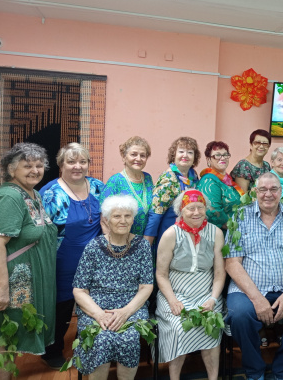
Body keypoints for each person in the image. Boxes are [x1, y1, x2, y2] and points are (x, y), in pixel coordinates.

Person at [225, 173, 283, 380]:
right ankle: (254, 371)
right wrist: (256, 298)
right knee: (239, 315)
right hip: (248, 288)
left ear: (281, 192)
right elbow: (232, 262)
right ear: (255, 192)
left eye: (273, 189)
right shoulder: (240, 216)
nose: (268, 194)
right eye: (263, 189)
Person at [72, 195, 153, 379]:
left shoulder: (142, 246)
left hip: (132, 307)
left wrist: (125, 312)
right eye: (117, 216)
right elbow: (79, 290)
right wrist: (99, 314)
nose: (123, 220)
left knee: (129, 338)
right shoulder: (93, 247)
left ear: (133, 219)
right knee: (100, 338)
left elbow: (146, 286)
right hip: (96, 307)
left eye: (127, 216)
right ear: (107, 220)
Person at [39, 142, 105, 368]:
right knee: (62, 307)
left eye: (82, 161)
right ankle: (52, 351)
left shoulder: (97, 187)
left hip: (95, 261)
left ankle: (86, 347)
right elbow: (41, 232)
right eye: (71, 161)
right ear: (61, 165)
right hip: (62, 261)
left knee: (92, 305)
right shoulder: (50, 193)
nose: (77, 166)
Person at [0, 143, 56, 380]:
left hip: (27, 281)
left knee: (14, 339)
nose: (35, 170)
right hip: (14, 281)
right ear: (11, 169)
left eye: (39, 165)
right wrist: (2, 290)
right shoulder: (9, 196)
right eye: (27, 165)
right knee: (7, 340)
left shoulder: (34, 194)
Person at [155, 190, 226, 380]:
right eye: (190, 208)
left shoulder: (216, 233)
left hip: (206, 293)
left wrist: (213, 299)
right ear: (181, 210)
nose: (196, 212)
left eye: (200, 207)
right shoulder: (171, 234)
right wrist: (173, 301)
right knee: (179, 327)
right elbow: (161, 274)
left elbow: (219, 273)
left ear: (206, 209)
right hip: (175, 293)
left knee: (211, 323)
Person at [145, 137, 201, 244]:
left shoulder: (193, 175)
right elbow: (156, 213)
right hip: (170, 235)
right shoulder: (169, 178)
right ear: (173, 155)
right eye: (181, 151)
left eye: (190, 152)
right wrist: (147, 244)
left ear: (195, 157)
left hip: (189, 234)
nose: (185, 155)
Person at [99, 136, 154, 235]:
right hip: (122, 240)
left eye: (142, 155)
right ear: (124, 157)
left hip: (147, 240)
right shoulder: (115, 181)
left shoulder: (148, 178)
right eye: (134, 154)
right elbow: (104, 220)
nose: (138, 159)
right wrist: (113, 243)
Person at [196, 141, 244, 230]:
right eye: (217, 155)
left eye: (225, 155)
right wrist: (233, 228)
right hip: (221, 233)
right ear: (208, 159)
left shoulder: (227, 180)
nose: (223, 158)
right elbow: (212, 211)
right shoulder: (209, 180)